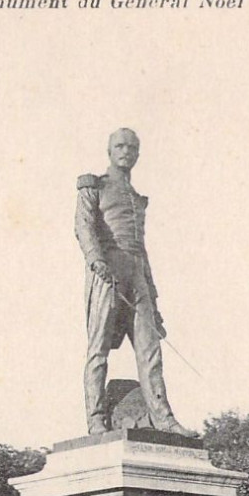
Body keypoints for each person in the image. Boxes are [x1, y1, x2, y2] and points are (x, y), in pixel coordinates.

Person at [75, 127, 198, 437]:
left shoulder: (135, 197)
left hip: (136, 273)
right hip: (107, 271)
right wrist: (96, 260)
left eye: (131, 147)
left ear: (138, 154)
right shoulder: (94, 187)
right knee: (98, 347)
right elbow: (84, 227)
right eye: (119, 146)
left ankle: (163, 418)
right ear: (109, 150)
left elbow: (141, 248)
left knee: (150, 348)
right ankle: (95, 418)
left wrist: (153, 296)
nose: (125, 151)